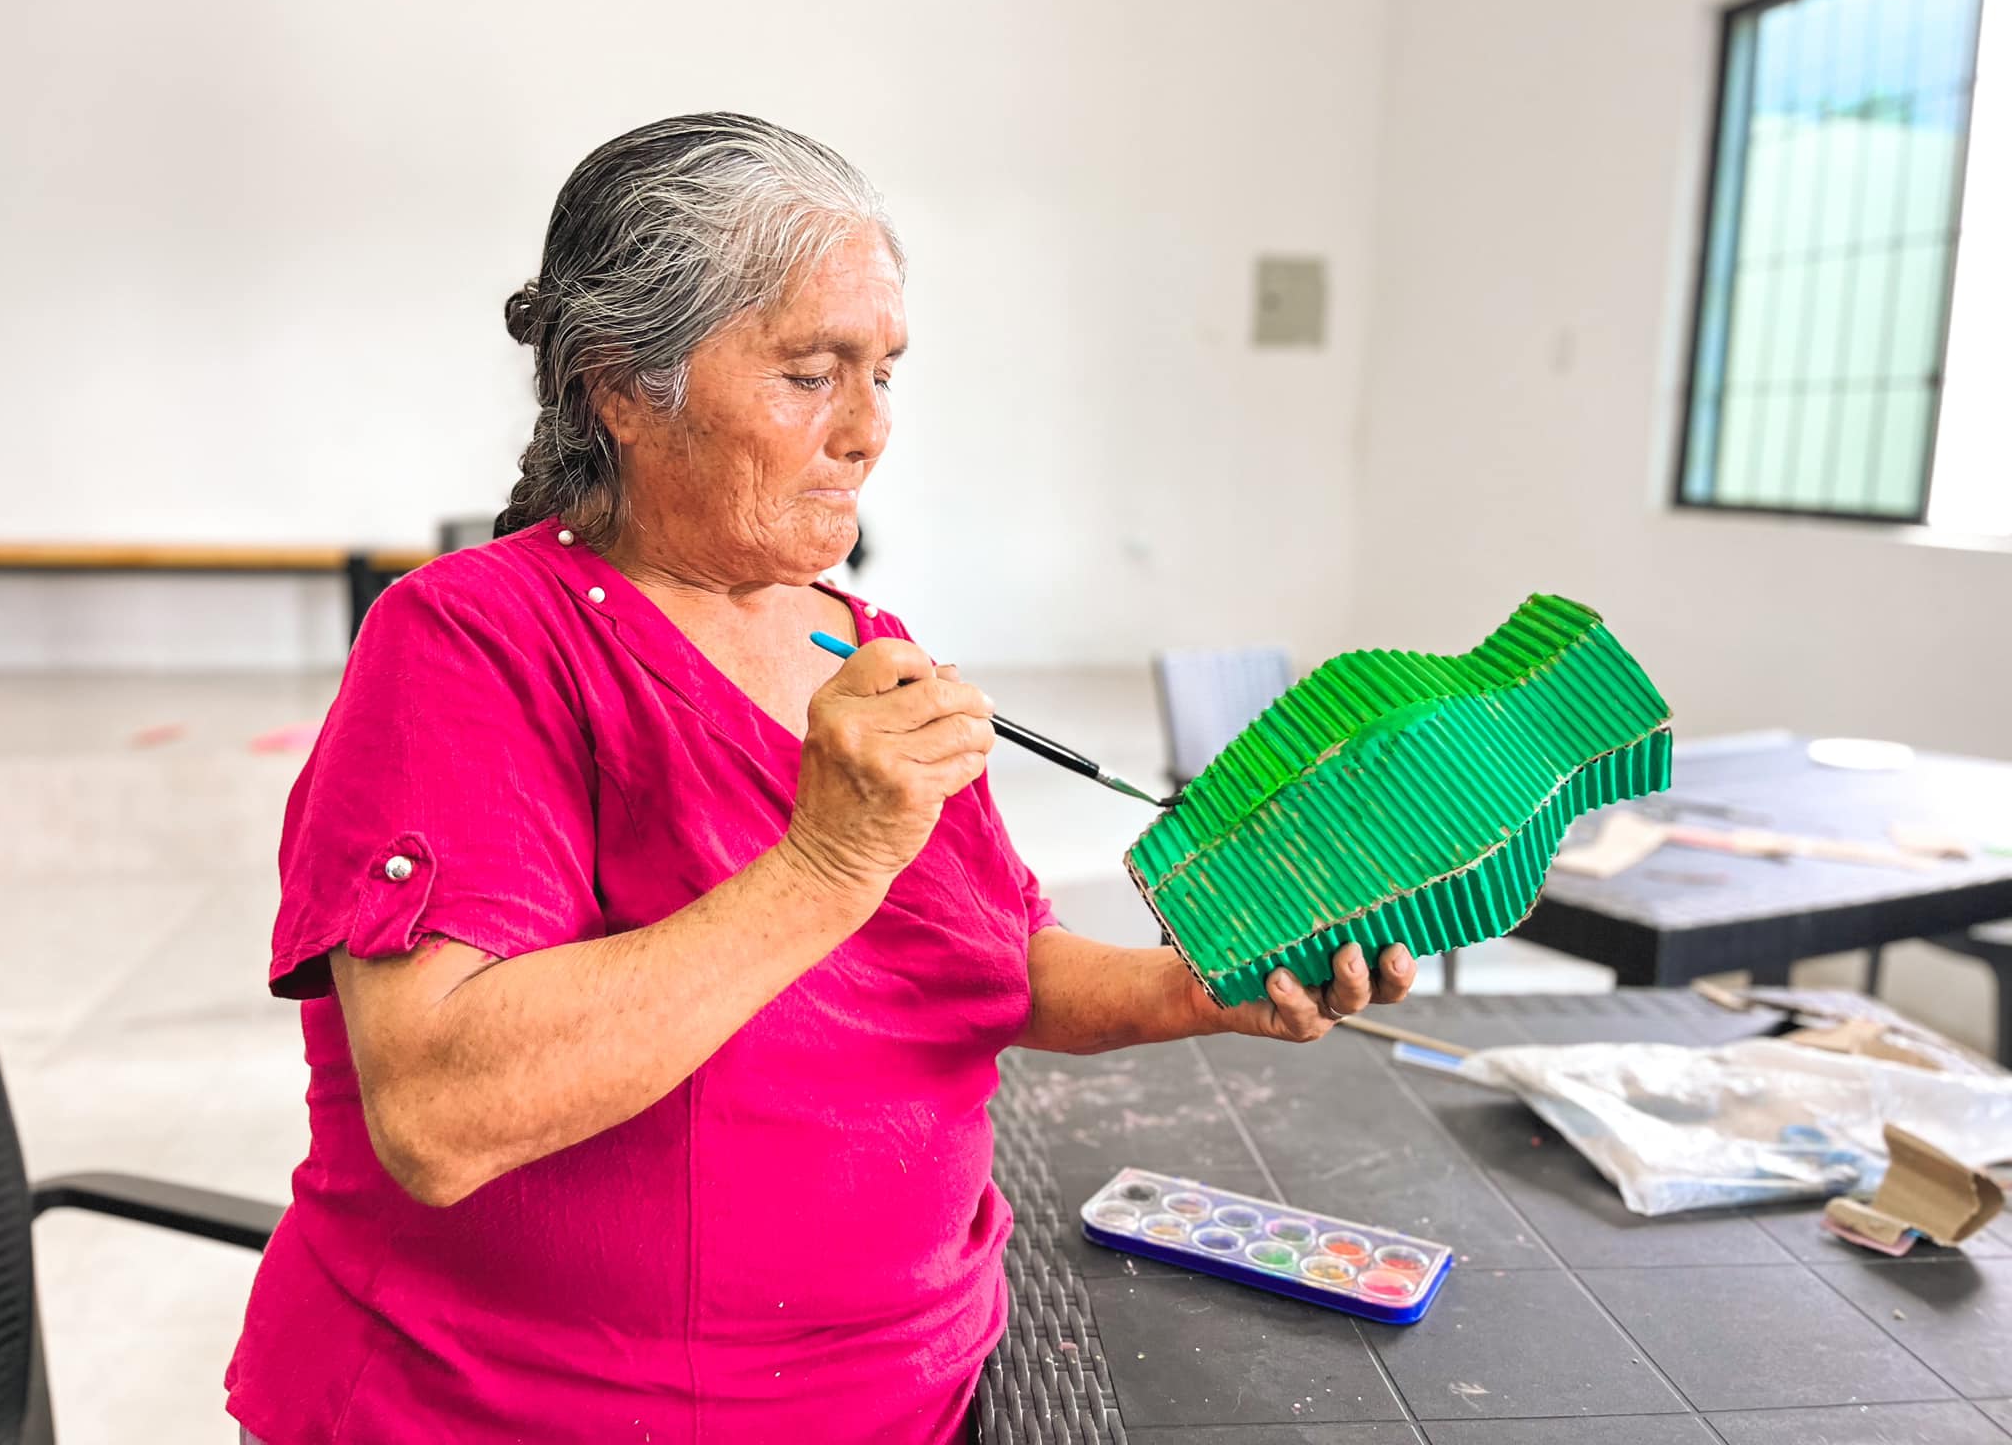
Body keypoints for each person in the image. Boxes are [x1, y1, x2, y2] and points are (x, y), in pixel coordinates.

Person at [225, 113, 1416, 1445]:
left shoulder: (865, 649)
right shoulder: (471, 641)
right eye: (810, 374)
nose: (868, 431)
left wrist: (1196, 989)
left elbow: (988, 959)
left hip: (921, 1390)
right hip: (523, 1412)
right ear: (623, 386)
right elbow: (440, 1113)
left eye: (885, 374)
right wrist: (825, 862)